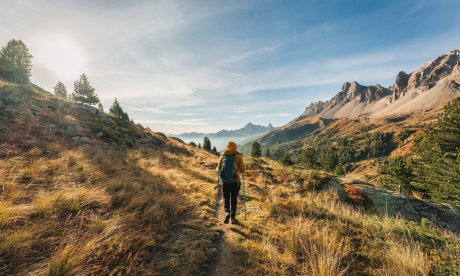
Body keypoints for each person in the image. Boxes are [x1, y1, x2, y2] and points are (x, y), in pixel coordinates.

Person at [216, 141, 245, 224]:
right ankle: (233, 218)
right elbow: (243, 170)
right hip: (235, 181)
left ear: (228, 147)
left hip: (225, 182)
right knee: (234, 199)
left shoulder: (222, 156)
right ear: (235, 147)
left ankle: (227, 212)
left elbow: (218, 169)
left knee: (226, 198)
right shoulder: (238, 156)